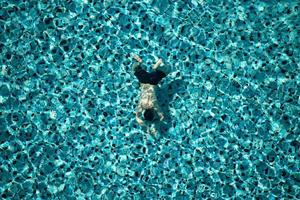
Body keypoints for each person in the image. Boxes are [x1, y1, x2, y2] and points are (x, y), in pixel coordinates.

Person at [132, 55, 169, 135]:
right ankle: (139, 62)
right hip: (143, 80)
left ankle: (157, 66)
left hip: (153, 81)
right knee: (134, 69)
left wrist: (151, 127)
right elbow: (137, 117)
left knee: (166, 70)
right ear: (144, 112)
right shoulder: (141, 105)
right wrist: (145, 126)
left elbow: (162, 117)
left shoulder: (154, 105)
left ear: (153, 112)